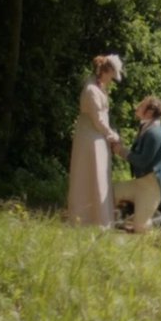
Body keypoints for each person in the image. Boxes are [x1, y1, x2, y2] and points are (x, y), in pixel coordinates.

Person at [67, 54, 124, 226]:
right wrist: (112, 135)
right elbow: (97, 119)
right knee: (88, 175)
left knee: (99, 174)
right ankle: (85, 218)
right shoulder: (91, 89)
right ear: (106, 72)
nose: (112, 80)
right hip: (89, 136)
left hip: (97, 135)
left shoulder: (99, 86)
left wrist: (108, 134)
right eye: (112, 76)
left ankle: (100, 218)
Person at [112, 95, 161, 233]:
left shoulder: (155, 133)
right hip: (140, 183)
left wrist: (121, 151)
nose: (137, 107)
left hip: (151, 186)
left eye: (141, 105)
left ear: (149, 112)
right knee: (111, 192)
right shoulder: (147, 127)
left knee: (140, 228)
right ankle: (122, 216)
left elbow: (143, 161)